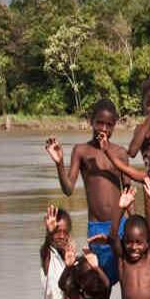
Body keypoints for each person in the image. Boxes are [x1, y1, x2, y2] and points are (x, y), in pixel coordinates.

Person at [44, 99, 129, 285]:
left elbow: (128, 191)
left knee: (126, 278)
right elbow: (68, 189)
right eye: (99, 123)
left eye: (109, 124)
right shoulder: (81, 151)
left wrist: (132, 224)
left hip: (121, 225)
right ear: (91, 121)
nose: (104, 129)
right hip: (97, 227)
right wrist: (59, 163)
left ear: (115, 125)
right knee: (99, 283)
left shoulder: (120, 153)